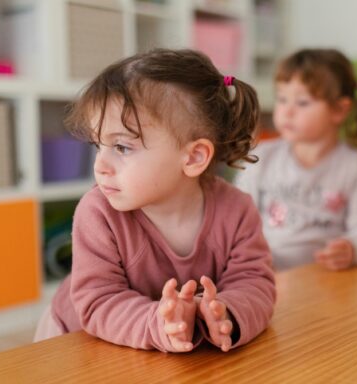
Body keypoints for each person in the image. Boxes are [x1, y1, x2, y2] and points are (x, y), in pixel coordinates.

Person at [34, 49, 276, 354]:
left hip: (163, 355)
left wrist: (225, 314)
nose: (100, 165)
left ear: (193, 157)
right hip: (75, 343)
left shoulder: (237, 211)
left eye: (121, 147)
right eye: (98, 144)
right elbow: (99, 301)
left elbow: (255, 283)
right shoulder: (97, 213)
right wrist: (157, 323)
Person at [235, 48, 357, 271]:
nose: (287, 111)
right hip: (262, 272)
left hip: (322, 279)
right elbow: (235, 221)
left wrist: (352, 247)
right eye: (282, 99)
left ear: (339, 110)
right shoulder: (261, 158)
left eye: (302, 102)